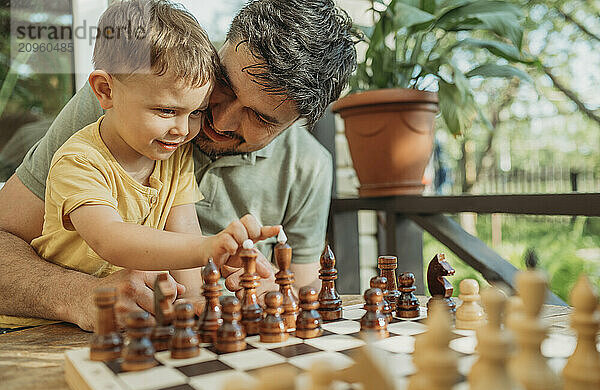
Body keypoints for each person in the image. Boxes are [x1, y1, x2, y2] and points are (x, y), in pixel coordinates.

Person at [0, 0, 359, 331]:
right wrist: (79, 295)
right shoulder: (128, 102)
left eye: (260, 118)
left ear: (295, 124)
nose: (217, 120)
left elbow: (301, 286)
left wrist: (271, 290)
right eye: (226, 85)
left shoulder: (308, 167)